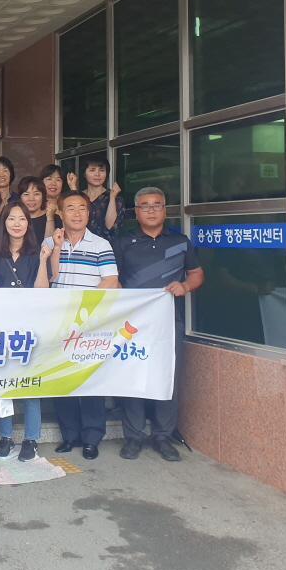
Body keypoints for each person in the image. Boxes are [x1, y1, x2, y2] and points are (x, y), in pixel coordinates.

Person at [113, 187, 204, 463]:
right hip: (132, 324)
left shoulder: (180, 241)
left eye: (156, 206)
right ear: (136, 212)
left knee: (167, 377)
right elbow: (113, 278)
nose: (151, 211)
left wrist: (185, 286)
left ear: (165, 210)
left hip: (168, 322)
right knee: (132, 375)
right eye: (145, 206)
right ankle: (133, 436)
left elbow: (196, 274)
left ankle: (163, 435)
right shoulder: (123, 242)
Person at [43, 191, 120, 461]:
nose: (76, 214)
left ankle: (91, 438)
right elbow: (45, 278)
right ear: (60, 213)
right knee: (61, 380)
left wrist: (83, 313)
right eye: (70, 208)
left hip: (90, 324)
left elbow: (110, 281)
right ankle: (70, 436)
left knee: (90, 382)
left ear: (88, 213)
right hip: (58, 324)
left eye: (82, 209)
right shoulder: (50, 243)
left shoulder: (101, 244)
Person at [0, 202, 43, 461]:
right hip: (2, 326)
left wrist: (44, 260)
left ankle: (31, 439)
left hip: (31, 327)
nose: (17, 223)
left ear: (28, 223)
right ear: (5, 223)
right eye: (11, 218)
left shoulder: (36, 252)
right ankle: (5, 437)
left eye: (22, 218)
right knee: (3, 385)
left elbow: (43, 290)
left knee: (31, 386)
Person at [74, 153, 124, 241]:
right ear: (84, 173)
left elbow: (110, 226)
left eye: (102, 170)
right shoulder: (80, 197)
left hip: (107, 246)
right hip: (80, 245)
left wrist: (112, 198)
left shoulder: (115, 197)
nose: (97, 174)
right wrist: (73, 188)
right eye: (92, 170)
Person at [17, 176, 54, 248]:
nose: (31, 199)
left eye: (36, 194)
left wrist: (50, 219)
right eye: (26, 194)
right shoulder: (15, 219)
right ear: (20, 197)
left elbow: (50, 247)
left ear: (43, 196)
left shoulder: (54, 218)